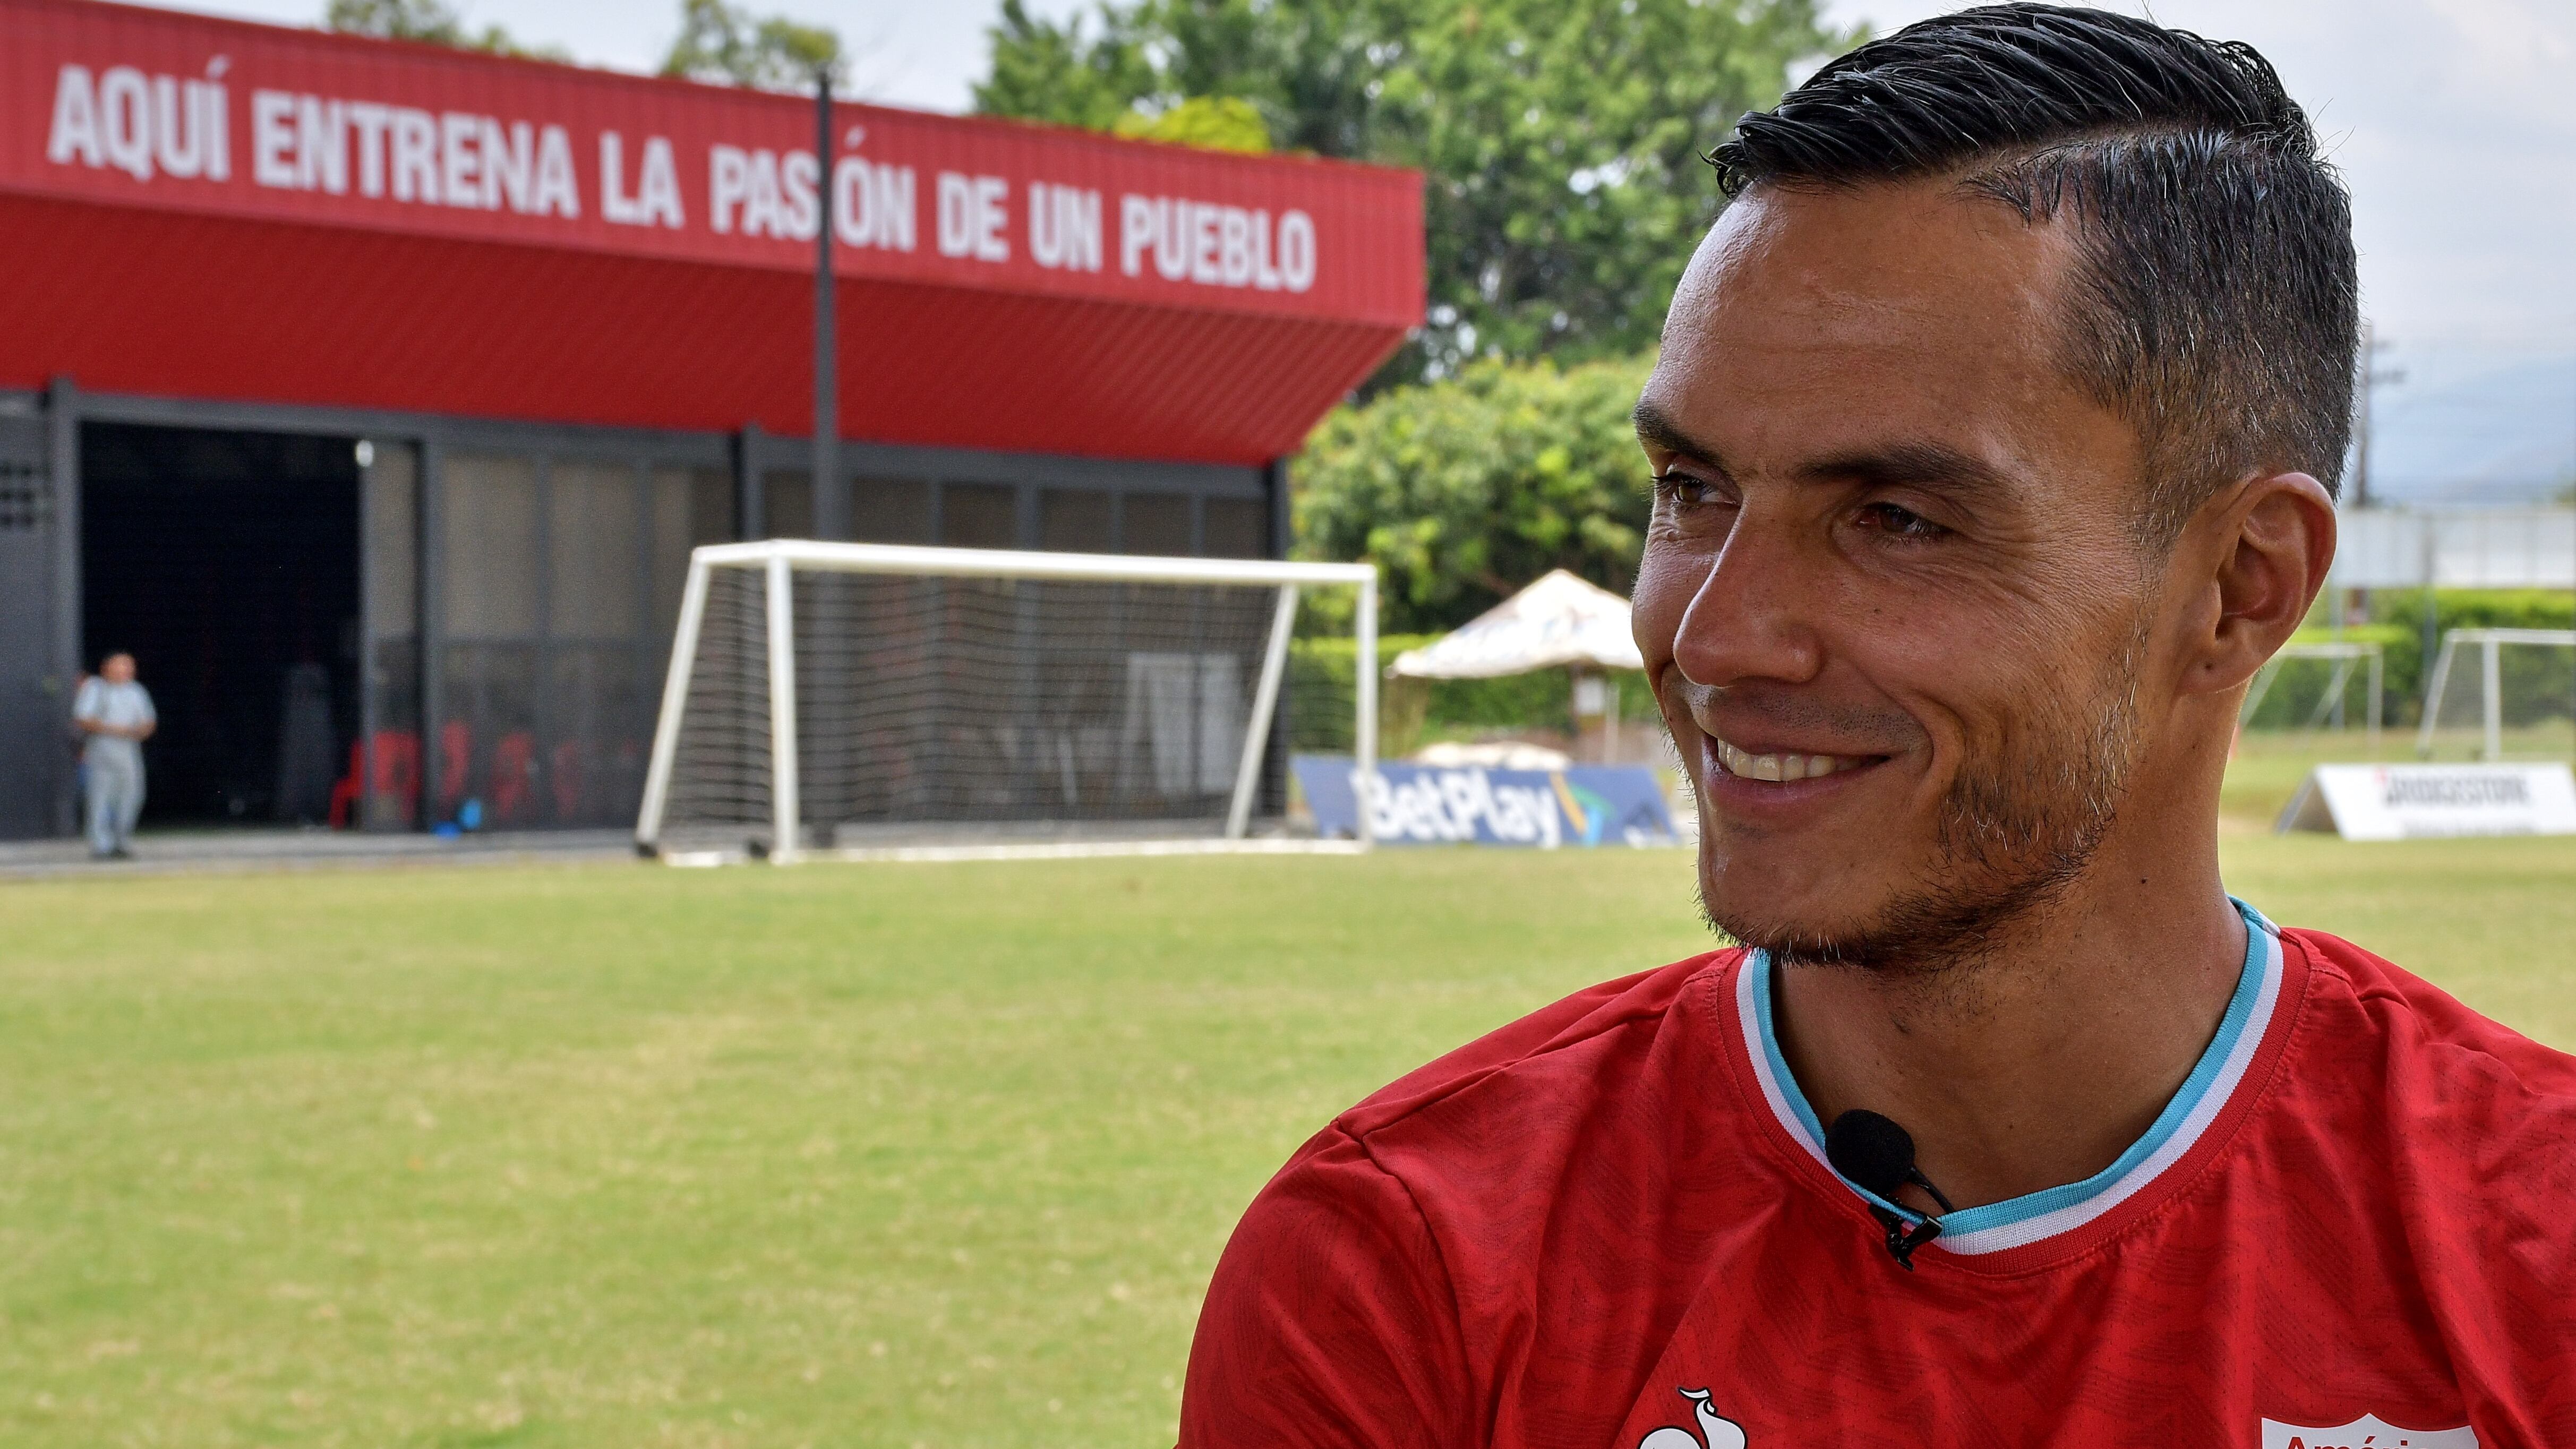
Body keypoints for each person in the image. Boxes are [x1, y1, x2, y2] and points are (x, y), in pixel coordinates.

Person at [1178, 6, 2574, 1445]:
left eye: (1894, 519)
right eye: (1691, 491)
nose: (1715, 636)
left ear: (2238, 588)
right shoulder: (1404, 1271)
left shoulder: (2536, 1259)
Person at [73, 651, 156, 860]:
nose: (125, 670)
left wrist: (140, 731)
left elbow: (148, 721)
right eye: (120, 666)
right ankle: (101, 844)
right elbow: (83, 719)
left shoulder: (136, 691)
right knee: (100, 796)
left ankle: (122, 841)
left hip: (128, 750)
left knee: (133, 794)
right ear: (107, 667)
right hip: (102, 749)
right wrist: (115, 730)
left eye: (128, 666)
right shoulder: (96, 688)